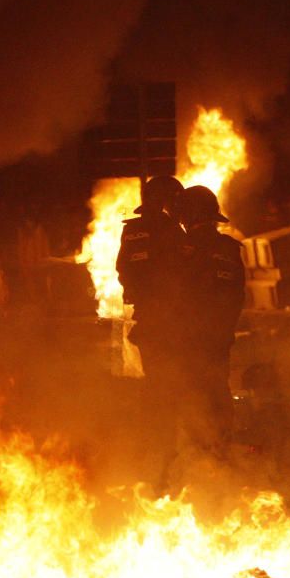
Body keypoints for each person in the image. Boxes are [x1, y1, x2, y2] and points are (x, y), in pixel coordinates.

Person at [177, 185, 245, 446]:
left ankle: (195, 455)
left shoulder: (180, 249)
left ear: (186, 216)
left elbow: (171, 294)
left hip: (185, 342)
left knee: (188, 399)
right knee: (217, 393)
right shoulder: (229, 249)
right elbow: (237, 297)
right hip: (218, 340)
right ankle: (222, 452)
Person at [116, 175, 187, 416]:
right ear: (164, 201)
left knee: (155, 380)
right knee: (174, 384)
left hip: (146, 318)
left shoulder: (131, 230)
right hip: (172, 321)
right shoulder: (171, 231)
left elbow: (123, 270)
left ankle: (154, 433)